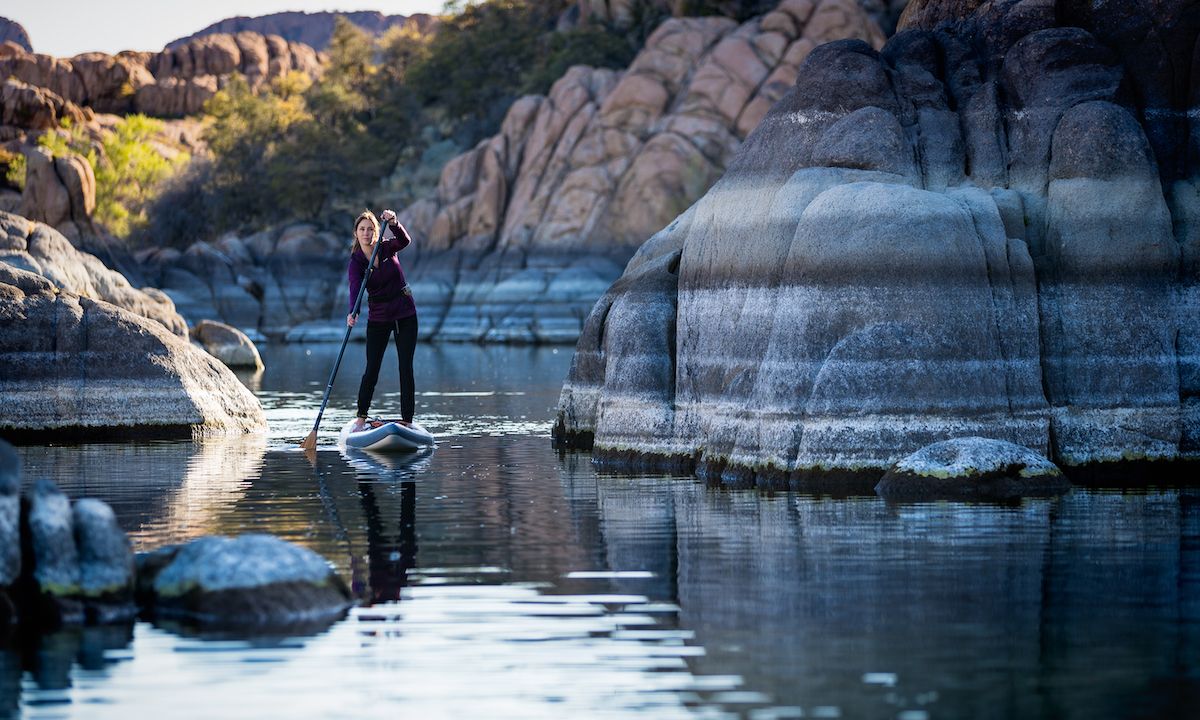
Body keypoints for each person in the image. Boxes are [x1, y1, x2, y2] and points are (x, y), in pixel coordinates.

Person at [347, 209, 417, 431]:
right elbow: (355, 288)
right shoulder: (356, 262)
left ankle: (407, 419)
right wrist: (353, 311)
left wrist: (395, 222)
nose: (366, 233)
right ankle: (361, 417)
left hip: (405, 313)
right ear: (356, 234)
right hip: (378, 317)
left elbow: (405, 240)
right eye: (362, 229)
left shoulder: (386, 247)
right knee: (372, 368)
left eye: (370, 229)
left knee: (405, 367)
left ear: (376, 232)